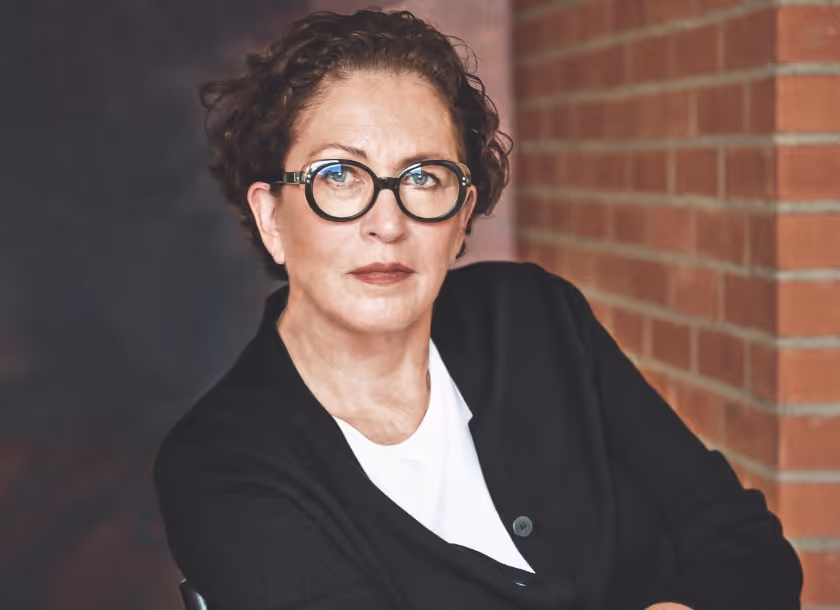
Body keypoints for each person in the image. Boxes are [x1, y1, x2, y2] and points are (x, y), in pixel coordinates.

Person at [153, 9, 803, 610]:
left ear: (461, 217)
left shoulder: (535, 318)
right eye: (339, 177)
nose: (388, 221)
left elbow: (747, 548)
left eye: (423, 178)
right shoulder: (219, 463)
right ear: (272, 217)